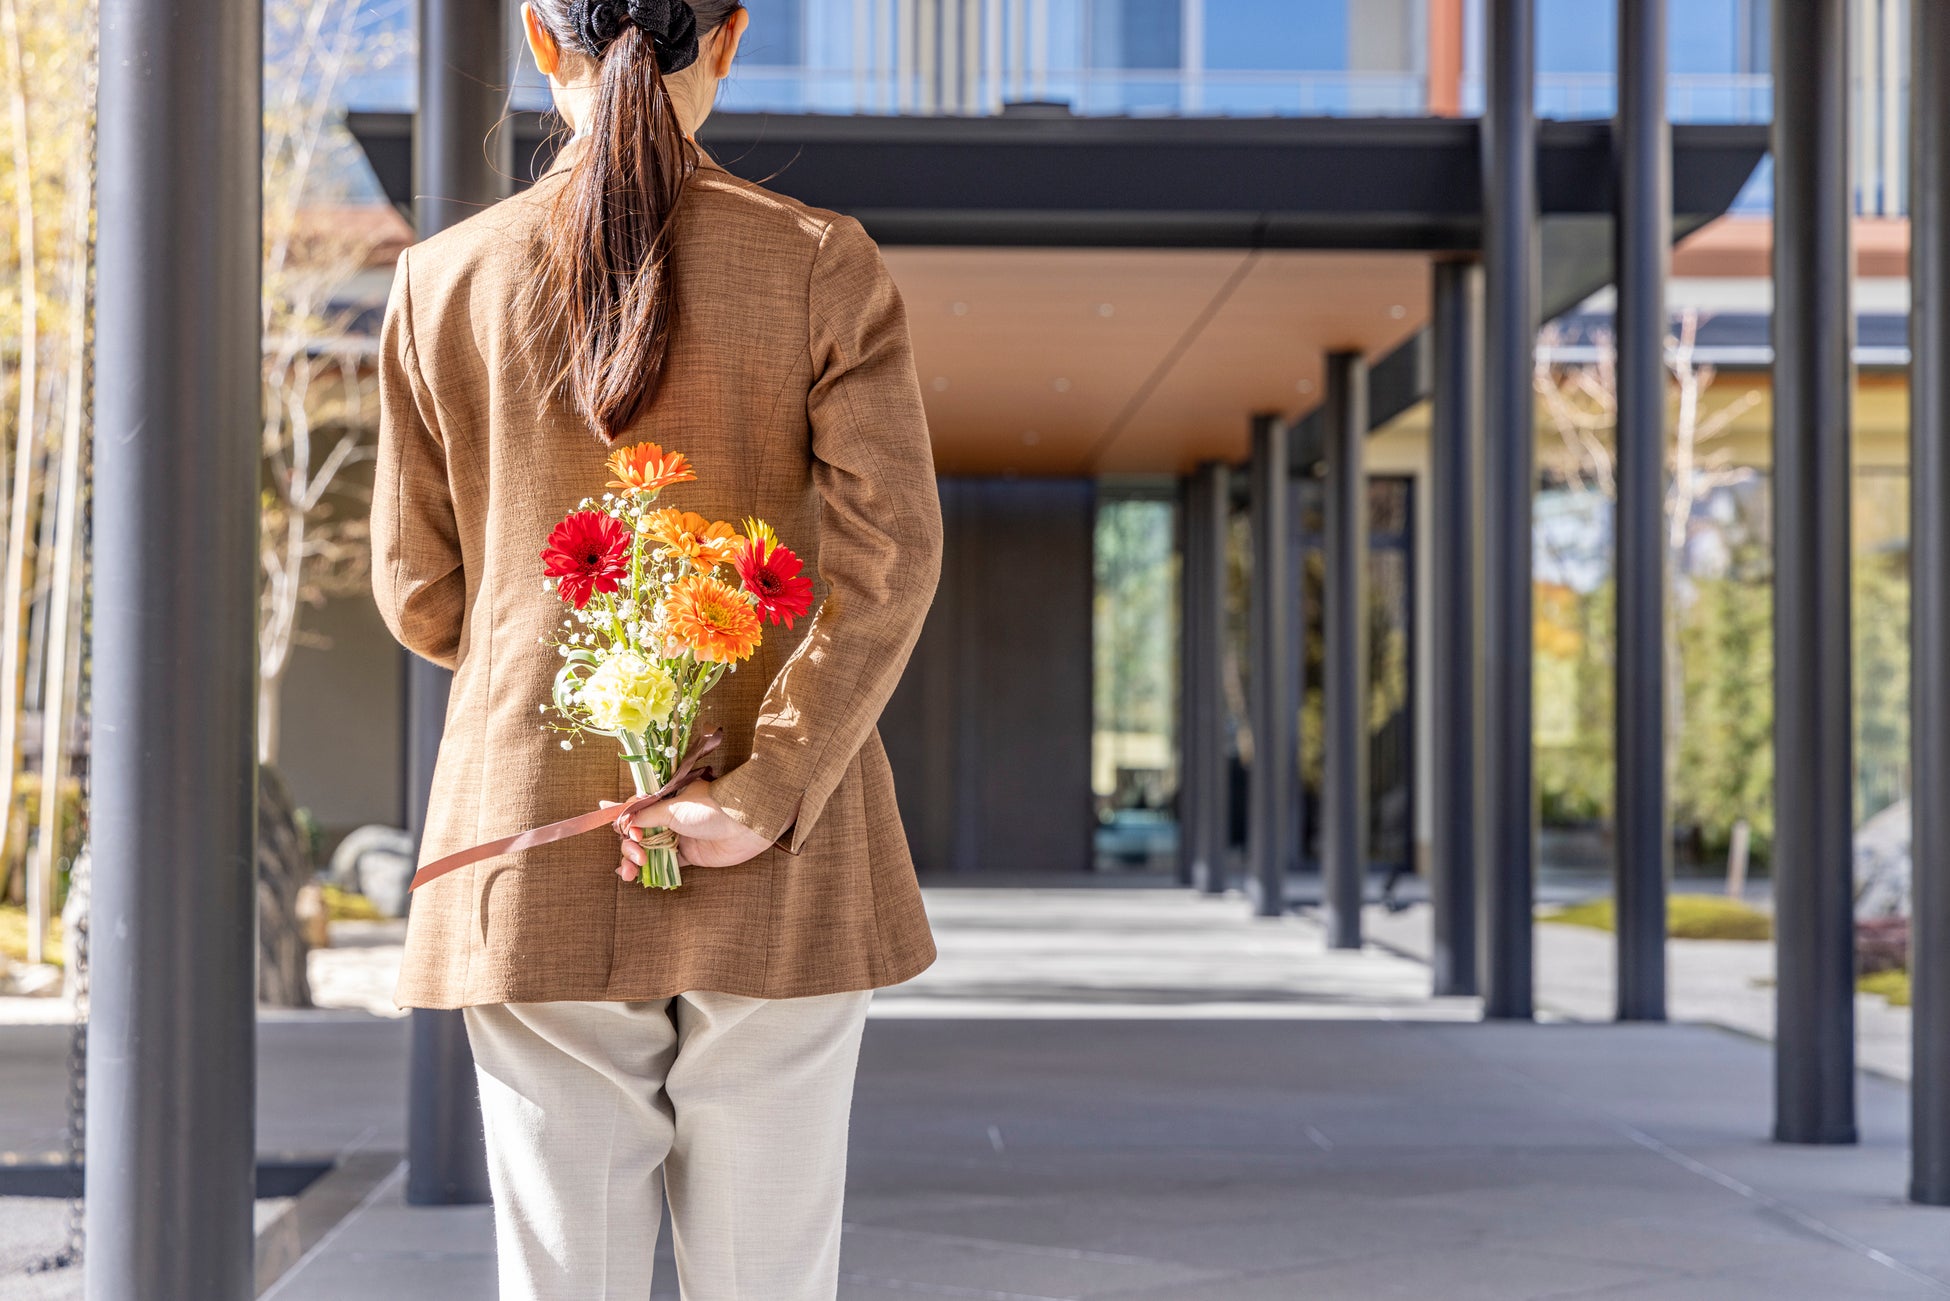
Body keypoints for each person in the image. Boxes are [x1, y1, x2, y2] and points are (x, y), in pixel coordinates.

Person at [369, 1, 943, 1295]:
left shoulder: (441, 278)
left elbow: (418, 594)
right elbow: (890, 557)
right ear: (727, 39)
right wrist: (761, 784)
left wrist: (568, 668)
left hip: (537, 832)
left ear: (538, 36)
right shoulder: (819, 262)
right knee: (766, 1271)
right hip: (779, 848)